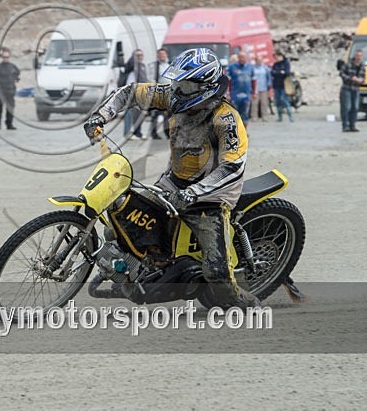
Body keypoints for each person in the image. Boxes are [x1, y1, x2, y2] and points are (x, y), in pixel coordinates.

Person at [82, 47, 260, 309]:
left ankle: (249, 303)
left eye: (185, 85)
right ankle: (141, 271)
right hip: (172, 184)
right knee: (120, 222)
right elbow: (130, 92)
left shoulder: (227, 120)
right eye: (177, 83)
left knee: (217, 276)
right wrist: (100, 116)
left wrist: (194, 192)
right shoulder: (174, 97)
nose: (177, 90)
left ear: (205, 87)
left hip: (210, 197)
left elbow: (232, 167)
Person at [120, 49, 149, 139]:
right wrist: (134, 56)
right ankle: (127, 133)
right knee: (129, 113)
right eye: (137, 55)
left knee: (139, 114)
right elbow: (130, 63)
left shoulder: (143, 66)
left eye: (141, 55)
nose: (139, 57)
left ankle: (137, 133)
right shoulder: (131, 65)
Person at [338, 49, 365, 132]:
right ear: (354, 56)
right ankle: (345, 125)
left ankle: (352, 125)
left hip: (356, 89)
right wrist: (351, 78)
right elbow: (341, 73)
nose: (358, 58)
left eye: (360, 56)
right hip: (347, 88)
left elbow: (363, 78)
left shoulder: (362, 66)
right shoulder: (348, 64)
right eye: (357, 56)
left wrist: (361, 80)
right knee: (346, 107)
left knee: (355, 107)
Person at [0, 49, 21, 130]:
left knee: (10, 108)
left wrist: (16, 79)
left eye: (7, 57)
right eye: (4, 57)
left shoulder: (13, 66)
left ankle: (9, 124)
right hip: (1, 90)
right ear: (2, 57)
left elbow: (17, 74)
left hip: (10, 90)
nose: (5, 59)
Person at [148, 47, 170, 139]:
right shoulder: (155, 66)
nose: (162, 56)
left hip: (169, 93)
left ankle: (167, 133)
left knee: (168, 115)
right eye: (160, 54)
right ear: (158, 56)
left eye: (163, 54)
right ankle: (153, 134)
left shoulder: (169, 65)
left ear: (166, 55)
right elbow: (151, 79)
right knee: (156, 115)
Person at [227, 51, 253, 123]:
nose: (242, 59)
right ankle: (237, 133)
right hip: (235, 96)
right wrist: (228, 93)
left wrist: (254, 93)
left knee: (245, 115)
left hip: (246, 95)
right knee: (235, 115)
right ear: (238, 58)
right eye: (241, 57)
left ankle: (244, 132)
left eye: (244, 57)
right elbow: (227, 81)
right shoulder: (231, 67)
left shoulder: (250, 67)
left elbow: (254, 80)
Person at [271, 51, 295, 122]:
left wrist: (279, 72)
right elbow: (272, 73)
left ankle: (291, 117)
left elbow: (287, 73)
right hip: (276, 85)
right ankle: (280, 117)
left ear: (280, 56)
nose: (276, 58)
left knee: (285, 100)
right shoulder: (275, 64)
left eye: (277, 57)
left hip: (284, 86)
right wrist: (280, 72)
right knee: (277, 102)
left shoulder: (286, 63)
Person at [250, 54, 271, 122]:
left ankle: (264, 116)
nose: (259, 61)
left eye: (260, 60)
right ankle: (254, 116)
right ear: (255, 61)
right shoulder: (253, 68)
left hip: (263, 88)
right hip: (255, 89)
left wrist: (269, 84)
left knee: (264, 103)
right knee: (254, 103)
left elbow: (269, 77)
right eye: (258, 60)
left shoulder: (265, 68)